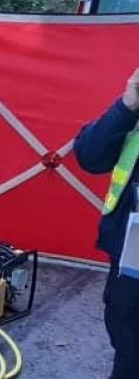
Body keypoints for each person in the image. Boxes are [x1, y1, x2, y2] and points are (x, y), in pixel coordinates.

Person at [74, 68, 139, 379]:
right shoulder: (135, 108)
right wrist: (127, 105)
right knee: (126, 334)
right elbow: (89, 155)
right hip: (131, 253)